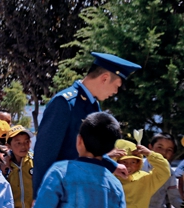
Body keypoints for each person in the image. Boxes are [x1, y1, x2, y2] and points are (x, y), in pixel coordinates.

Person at [33, 52, 141, 197]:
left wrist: (112, 165)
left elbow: (91, 147)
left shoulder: (93, 105)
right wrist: (40, 196)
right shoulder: (64, 102)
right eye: (116, 86)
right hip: (61, 191)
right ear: (104, 78)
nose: (115, 92)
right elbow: (44, 154)